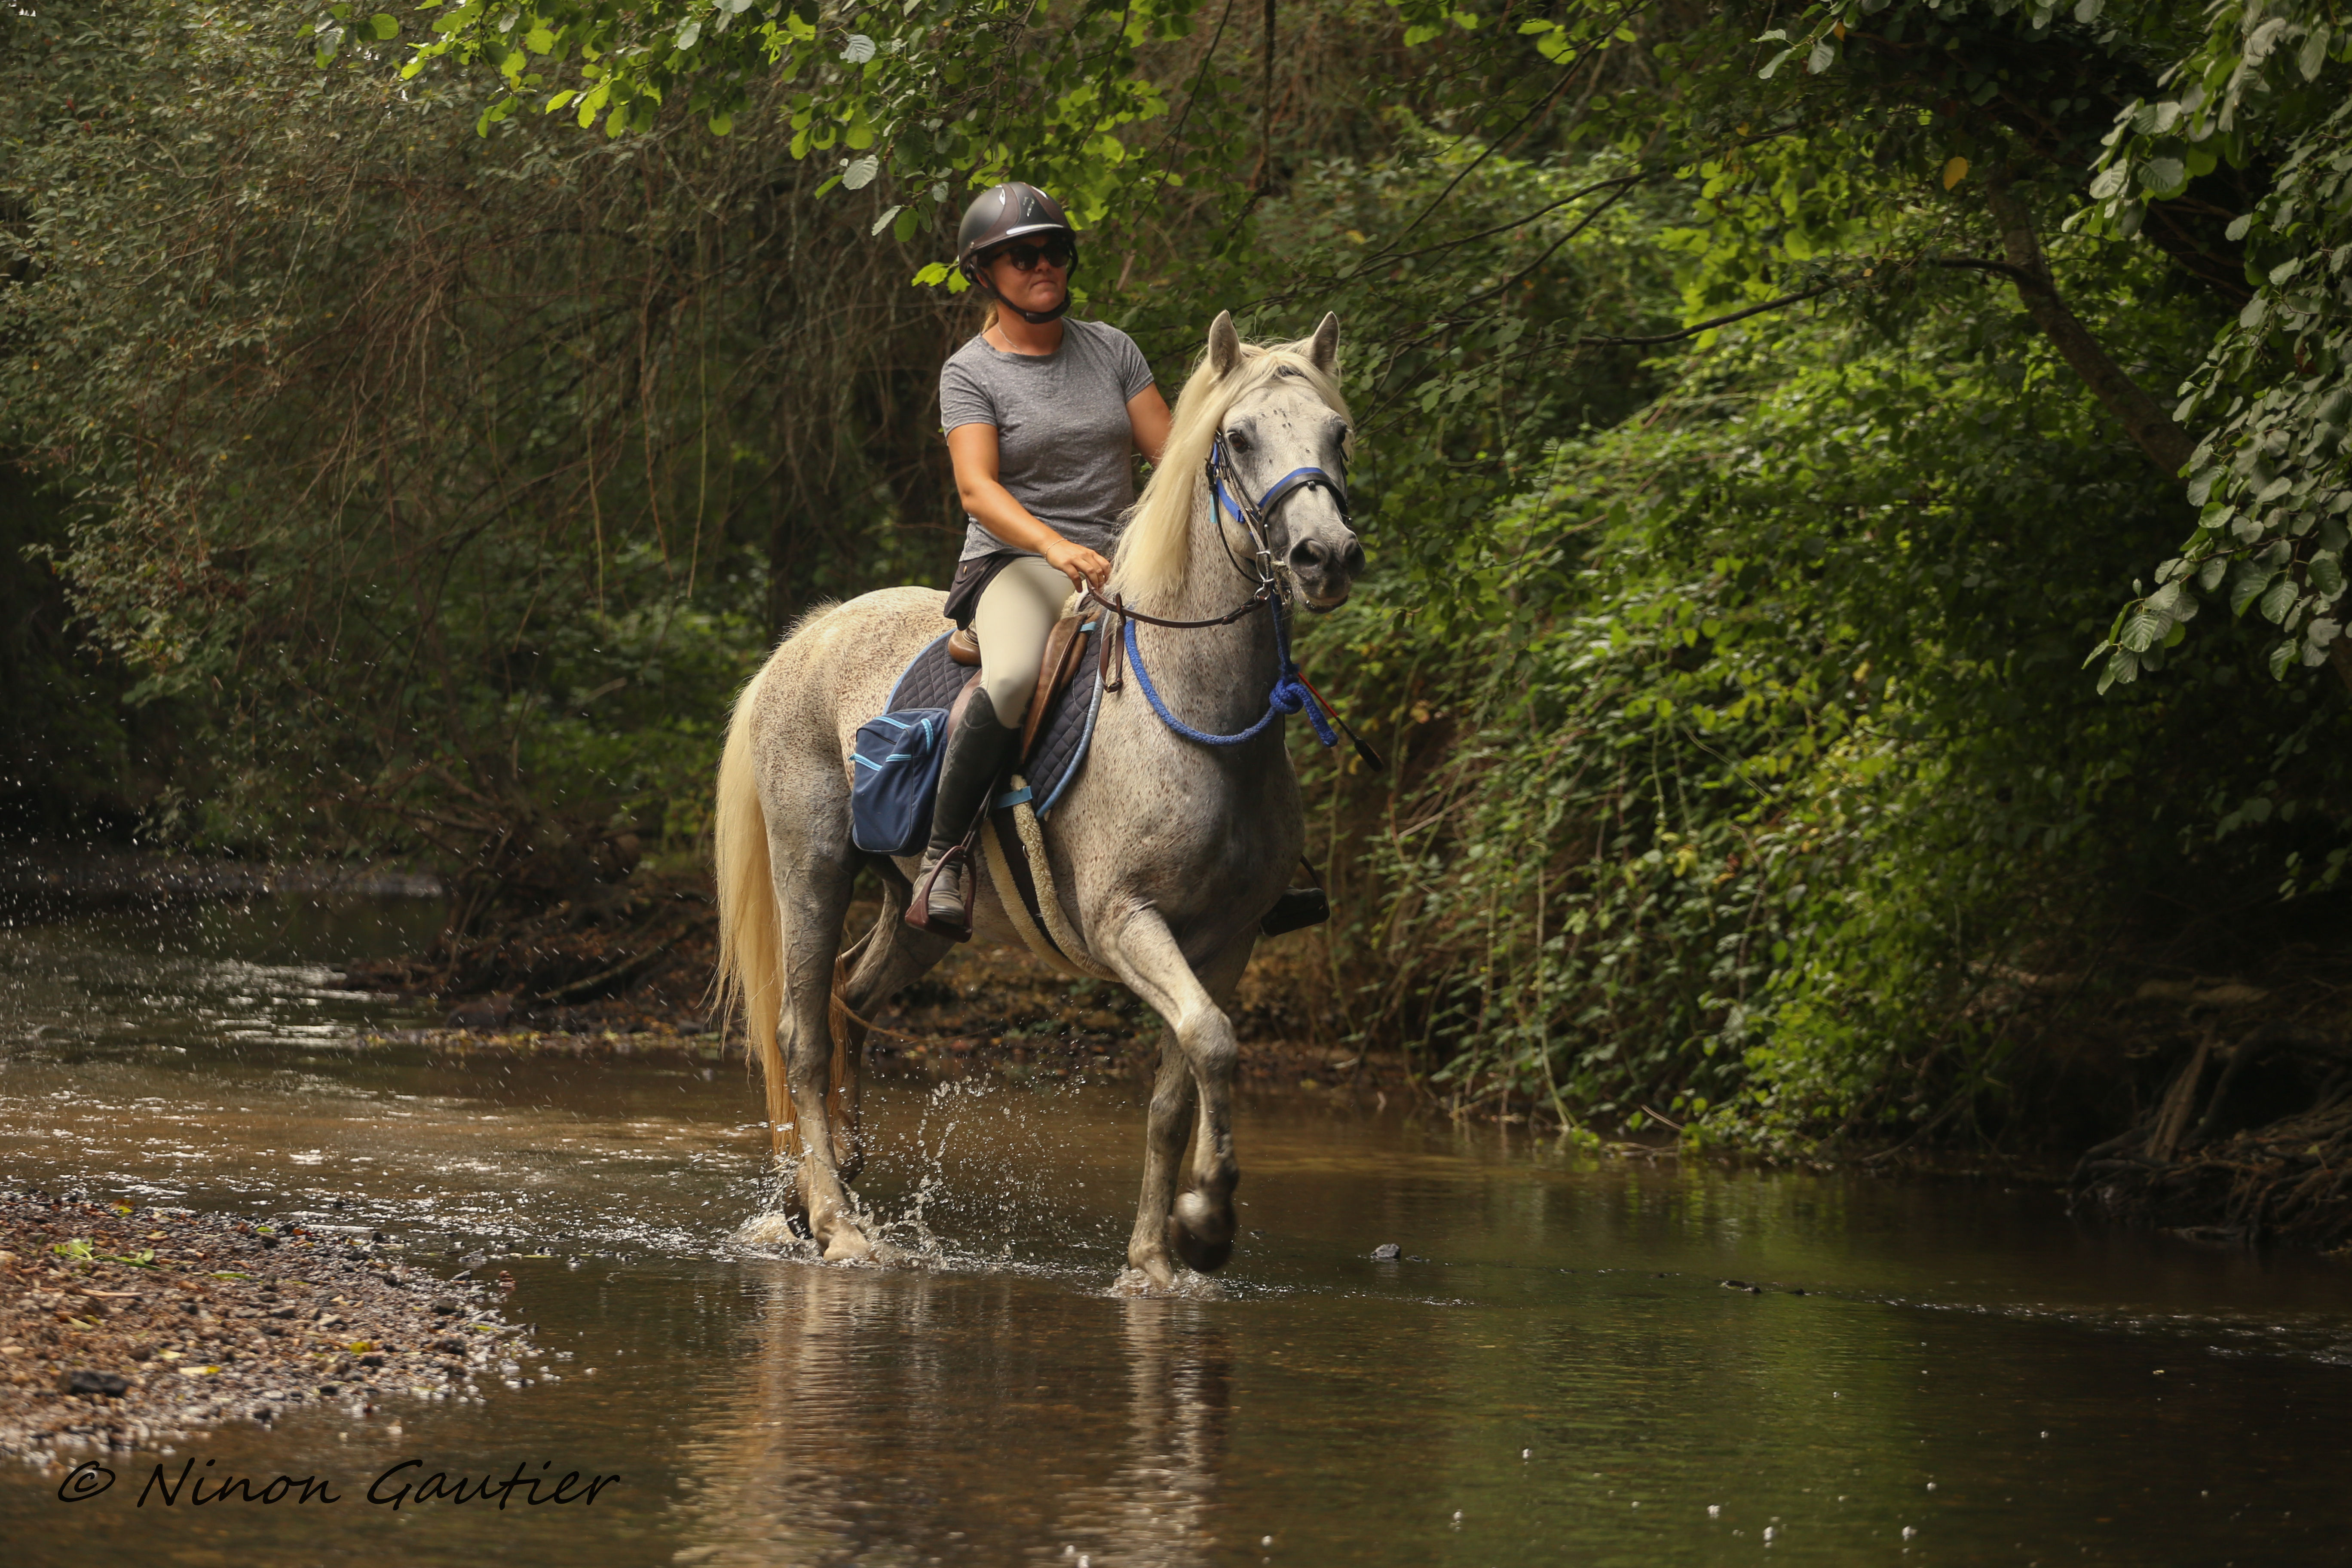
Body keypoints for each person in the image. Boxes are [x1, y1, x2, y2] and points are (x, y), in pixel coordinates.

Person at [909, 182, 1172, 938]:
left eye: (1054, 250)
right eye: (1021, 256)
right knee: (1017, 675)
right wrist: (1055, 545)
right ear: (985, 275)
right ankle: (943, 856)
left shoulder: (1113, 349)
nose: (1043, 265)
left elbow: (1168, 452)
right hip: (1017, 560)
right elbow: (976, 488)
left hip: (1125, 559)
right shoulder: (970, 373)